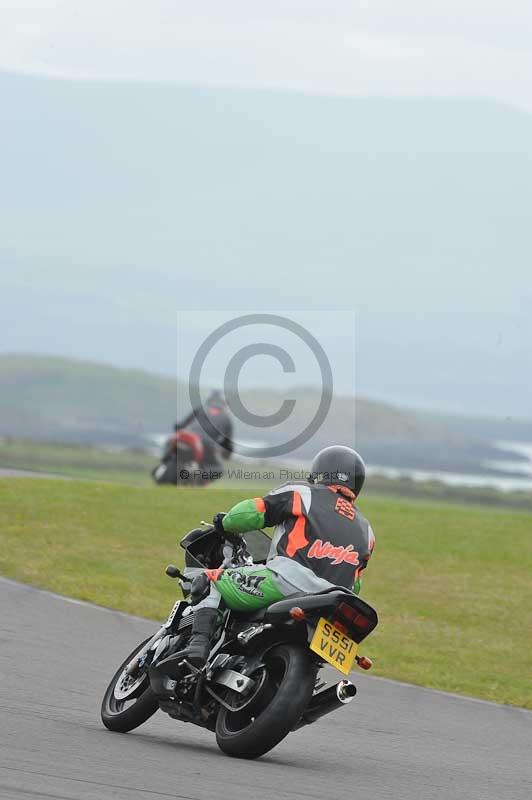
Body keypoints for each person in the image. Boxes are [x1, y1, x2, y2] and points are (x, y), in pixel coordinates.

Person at [150, 445, 375, 696]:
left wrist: (225, 522)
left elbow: (252, 513)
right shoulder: (367, 531)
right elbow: (356, 584)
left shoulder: (303, 493)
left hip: (286, 582)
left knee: (210, 580)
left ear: (320, 472)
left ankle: (198, 649)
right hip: (334, 603)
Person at [174, 390, 233, 480]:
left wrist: (177, 428)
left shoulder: (200, 409)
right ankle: (197, 476)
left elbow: (180, 425)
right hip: (207, 444)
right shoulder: (226, 417)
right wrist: (226, 454)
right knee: (218, 469)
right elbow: (227, 443)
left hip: (188, 437)